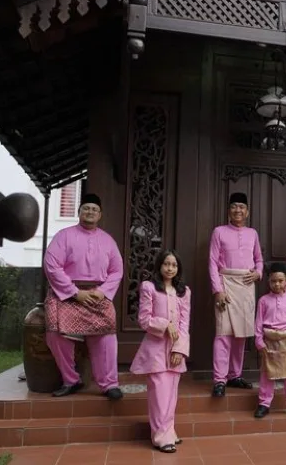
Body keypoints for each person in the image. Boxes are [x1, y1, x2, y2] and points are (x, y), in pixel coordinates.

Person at [43, 193, 124, 399]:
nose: (90, 212)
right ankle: (71, 380)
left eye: (94, 209)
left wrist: (102, 292)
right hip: (67, 294)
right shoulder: (63, 236)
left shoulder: (108, 240)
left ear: (100, 215)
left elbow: (117, 270)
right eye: (86, 208)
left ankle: (109, 384)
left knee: (107, 336)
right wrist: (74, 292)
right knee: (54, 333)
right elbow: (52, 265)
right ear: (79, 212)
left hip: (97, 295)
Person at [130, 250, 191, 453]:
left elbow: (184, 324)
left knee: (171, 395)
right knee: (159, 395)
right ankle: (160, 437)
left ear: (178, 268)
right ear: (159, 266)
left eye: (174, 265)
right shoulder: (149, 287)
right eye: (166, 264)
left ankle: (169, 432)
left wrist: (180, 350)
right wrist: (165, 324)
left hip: (175, 350)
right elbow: (144, 319)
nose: (170, 268)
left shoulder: (184, 292)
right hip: (155, 351)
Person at [208, 192, 264, 397]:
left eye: (241, 207)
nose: (237, 210)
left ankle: (235, 375)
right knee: (223, 333)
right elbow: (212, 262)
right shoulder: (219, 231)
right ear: (228, 210)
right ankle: (219, 379)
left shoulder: (253, 233)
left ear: (247, 212)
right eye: (234, 206)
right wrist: (218, 290)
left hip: (246, 286)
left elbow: (259, 259)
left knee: (241, 335)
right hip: (226, 284)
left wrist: (258, 273)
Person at [253, 262, 286, 419]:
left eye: (280, 281)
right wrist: (259, 341)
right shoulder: (263, 301)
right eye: (273, 281)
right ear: (269, 282)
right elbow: (258, 322)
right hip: (269, 341)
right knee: (267, 372)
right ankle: (264, 403)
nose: (277, 284)